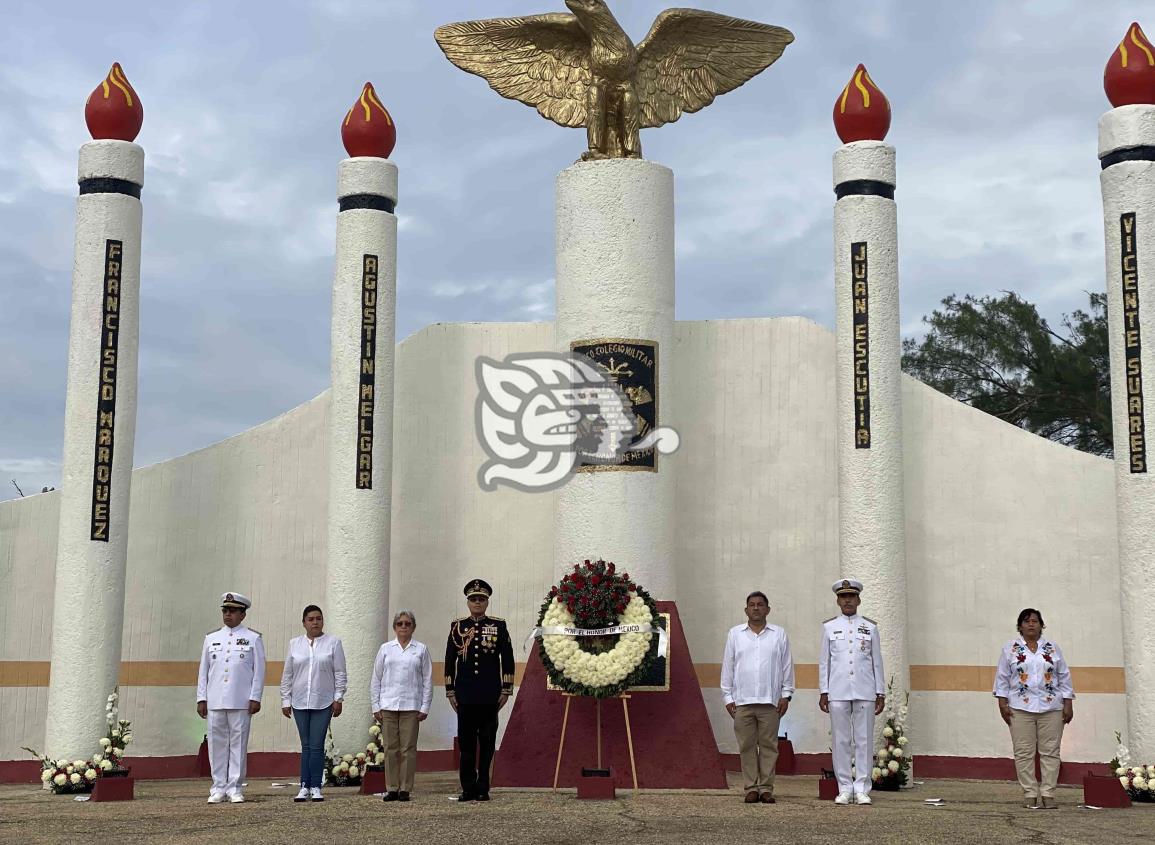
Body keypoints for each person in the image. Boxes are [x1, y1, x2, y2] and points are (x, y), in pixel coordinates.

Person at [994, 608, 1075, 809]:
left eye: (1035, 621)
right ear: (1020, 626)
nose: (1031, 624)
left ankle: (1048, 794)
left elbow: (1063, 675)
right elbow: (1002, 678)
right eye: (1027, 621)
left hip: (1052, 707)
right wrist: (1002, 704)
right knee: (1023, 752)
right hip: (1019, 708)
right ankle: (1029, 793)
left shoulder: (1052, 648)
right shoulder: (1010, 648)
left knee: (1050, 752)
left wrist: (1068, 703)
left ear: (1041, 625)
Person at [721, 590, 795, 804]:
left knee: (769, 747)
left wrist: (786, 695)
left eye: (760, 604)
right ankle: (751, 787)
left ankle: (766, 789)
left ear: (767, 609)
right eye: (752, 605)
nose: (756, 608)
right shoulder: (735, 634)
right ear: (746, 609)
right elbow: (729, 666)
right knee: (746, 746)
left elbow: (786, 666)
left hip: (770, 702)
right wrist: (728, 697)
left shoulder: (779, 634)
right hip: (742, 702)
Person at [444, 578, 515, 802]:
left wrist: (506, 689)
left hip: (489, 695)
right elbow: (449, 660)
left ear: (487, 602)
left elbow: (508, 658)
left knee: (486, 744)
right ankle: (468, 788)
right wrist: (450, 690)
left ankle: (483, 787)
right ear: (468, 602)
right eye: (473, 599)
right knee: (466, 745)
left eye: (481, 599)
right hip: (465, 695)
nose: (477, 603)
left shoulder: (498, 626)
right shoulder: (458, 627)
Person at [818, 578, 885, 806]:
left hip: (865, 689)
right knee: (841, 741)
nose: (847, 600)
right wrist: (824, 691)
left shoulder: (870, 627)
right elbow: (824, 662)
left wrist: (880, 692)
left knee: (864, 741)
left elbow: (877, 661)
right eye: (843, 597)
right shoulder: (829, 627)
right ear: (838, 600)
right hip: (837, 690)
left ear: (858, 599)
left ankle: (863, 788)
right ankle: (845, 788)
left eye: (851, 596)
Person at [196, 592, 266, 804]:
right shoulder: (211, 638)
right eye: (225, 611)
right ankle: (218, 787)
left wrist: (255, 697)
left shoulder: (253, 638)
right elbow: (203, 671)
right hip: (216, 700)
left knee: (238, 744)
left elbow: (259, 671)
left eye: (233, 611)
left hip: (241, 700)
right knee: (216, 746)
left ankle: (235, 787)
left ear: (243, 614)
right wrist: (202, 698)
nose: (228, 615)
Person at [280, 604, 347, 803]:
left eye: (318, 618)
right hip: (300, 700)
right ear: (304, 623)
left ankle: (316, 786)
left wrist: (338, 697)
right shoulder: (295, 644)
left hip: (323, 700)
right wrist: (285, 699)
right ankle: (304, 786)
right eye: (311, 619)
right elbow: (288, 674)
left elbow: (340, 672)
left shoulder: (333, 643)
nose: (315, 622)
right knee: (306, 745)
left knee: (317, 745)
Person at [371, 610, 434, 803]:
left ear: (413, 627)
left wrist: (424, 706)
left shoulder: (421, 649)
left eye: (407, 624)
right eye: (400, 624)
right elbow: (376, 678)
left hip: (411, 705)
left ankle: (405, 788)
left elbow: (428, 680)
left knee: (408, 748)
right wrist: (376, 704)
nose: (404, 627)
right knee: (390, 748)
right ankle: (391, 787)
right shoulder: (385, 649)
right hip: (388, 705)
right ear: (394, 627)